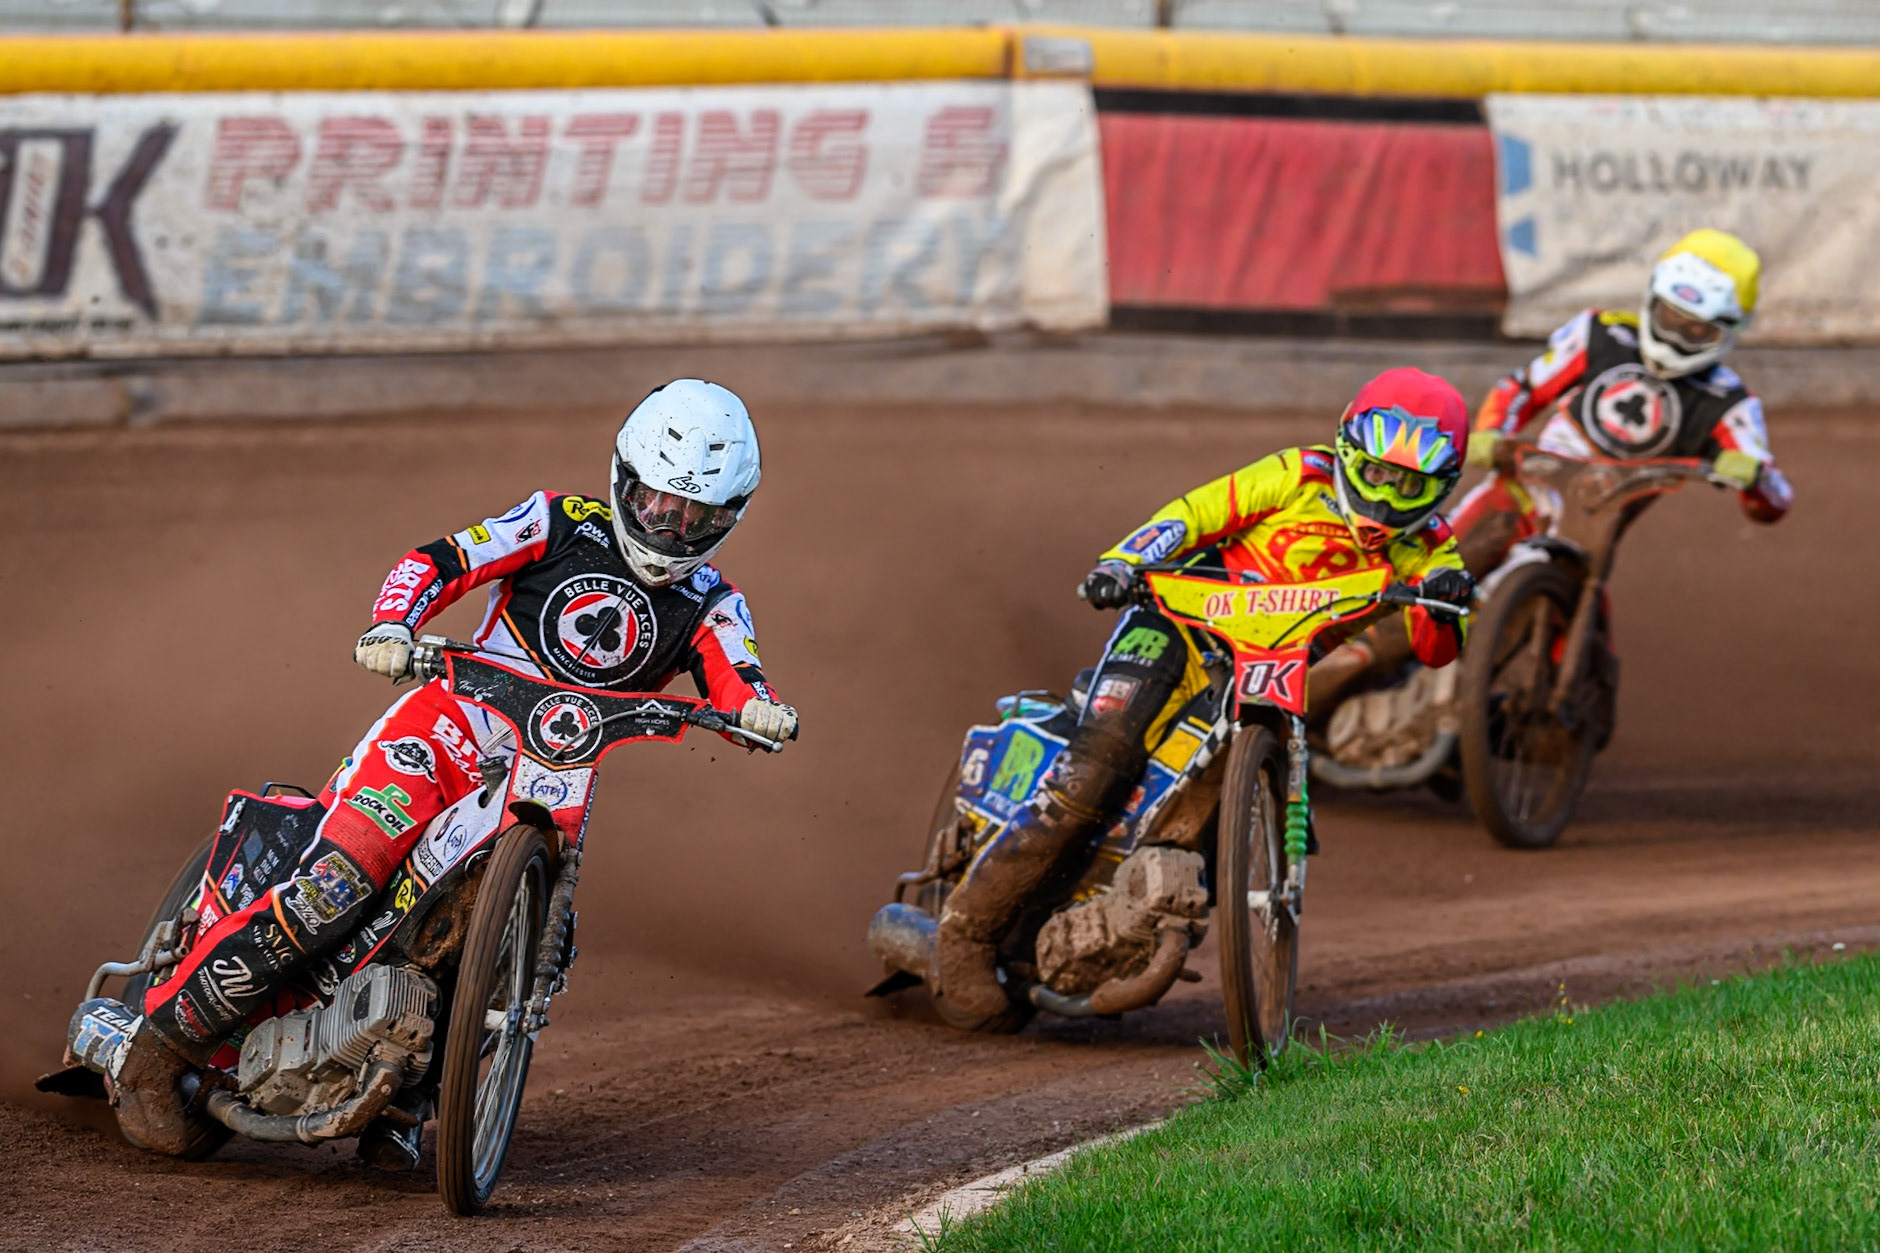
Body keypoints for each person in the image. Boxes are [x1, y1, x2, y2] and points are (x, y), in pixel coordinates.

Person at [81, 379, 798, 1159]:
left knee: (529, 951)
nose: (674, 526)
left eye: (697, 516)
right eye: (660, 503)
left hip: (557, 770)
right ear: (624, 481)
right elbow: (444, 559)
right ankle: (159, 1046)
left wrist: (757, 709)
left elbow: (740, 674)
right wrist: (395, 621)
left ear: (731, 516)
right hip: (447, 731)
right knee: (342, 880)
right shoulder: (557, 520)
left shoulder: (714, 602)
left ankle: (410, 1099)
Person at [928, 368, 1476, 1031]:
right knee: (1097, 764)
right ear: (1349, 451)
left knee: (1215, 816)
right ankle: (963, 936)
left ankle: (1128, 921)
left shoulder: (1432, 549)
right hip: (1179, 629)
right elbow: (1196, 513)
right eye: (1378, 473)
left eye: (1408, 484)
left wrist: (1448, 601)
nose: (1387, 495)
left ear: (1438, 488)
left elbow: (1438, 647)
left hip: (1265, 673)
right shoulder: (1297, 475)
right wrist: (1123, 560)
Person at [1310, 229, 1794, 713]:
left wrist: (1754, 478)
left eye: (1697, 330)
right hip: (1521, 492)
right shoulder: (1601, 333)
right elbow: (1523, 387)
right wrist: (1493, 431)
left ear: (1729, 329)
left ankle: (1483, 722)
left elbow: (1772, 498)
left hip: (1591, 533)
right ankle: (1329, 674)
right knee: (1422, 572)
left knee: (1592, 676)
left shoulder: (1731, 404)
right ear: (1652, 302)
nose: (1679, 335)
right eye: (1671, 318)